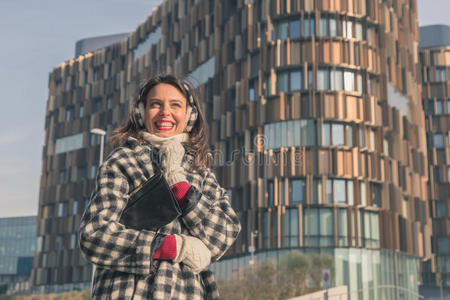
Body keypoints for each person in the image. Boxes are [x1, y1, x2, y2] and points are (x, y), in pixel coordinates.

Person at [79, 74, 241, 299]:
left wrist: (181, 187)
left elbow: (224, 234)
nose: (165, 112)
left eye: (176, 105)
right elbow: (95, 235)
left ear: (189, 115)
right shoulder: (123, 161)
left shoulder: (202, 173)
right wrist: (172, 246)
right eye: (156, 104)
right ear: (141, 113)